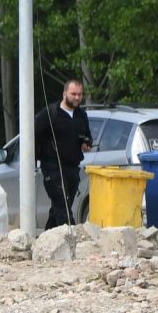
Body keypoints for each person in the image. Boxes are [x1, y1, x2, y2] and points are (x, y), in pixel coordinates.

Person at [32, 77, 95, 228]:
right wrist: (36, 157)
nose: (77, 97)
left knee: (60, 206)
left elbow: (88, 137)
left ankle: (48, 237)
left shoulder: (81, 116)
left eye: (80, 94)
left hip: (72, 167)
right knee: (62, 203)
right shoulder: (51, 113)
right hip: (52, 166)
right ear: (64, 93)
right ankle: (71, 235)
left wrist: (87, 144)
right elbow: (33, 135)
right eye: (73, 94)